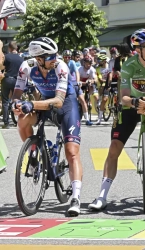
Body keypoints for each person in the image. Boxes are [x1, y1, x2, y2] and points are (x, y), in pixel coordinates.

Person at [88, 28, 145, 211]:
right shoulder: (129, 65)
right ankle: (102, 195)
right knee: (114, 148)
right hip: (131, 105)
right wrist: (135, 102)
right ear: (138, 50)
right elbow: (123, 96)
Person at [11, 37, 84, 217]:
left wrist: (32, 105)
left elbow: (59, 101)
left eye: (55, 55)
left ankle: (75, 197)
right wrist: (16, 105)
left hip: (66, 104)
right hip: (43, 102)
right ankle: (34, 154)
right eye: (50, 56)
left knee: (72, 151)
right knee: (22, 119)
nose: (55, 58)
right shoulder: (26, 67)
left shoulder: (61, 67)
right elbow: (17, 93)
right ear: (39, 58)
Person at [62, 50, 92, 126]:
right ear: (63, 57)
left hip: (74, 83)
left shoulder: (72, 62)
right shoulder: (61, 63)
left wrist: (78, 81)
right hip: (66, 85)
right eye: (66, 57)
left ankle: (87, 119)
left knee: (82, 100)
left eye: (69, 57)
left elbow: (77, 72)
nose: (67, 58)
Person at [1, 41, 24, 129]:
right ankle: (18, 121)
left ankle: (6, 123)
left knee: (5, 101)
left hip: (7, 79)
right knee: (17, 100)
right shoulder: (21, 59)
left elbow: (2, 67)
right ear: (16, 48)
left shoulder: (6, 57)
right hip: (17, 81)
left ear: (9, 48)